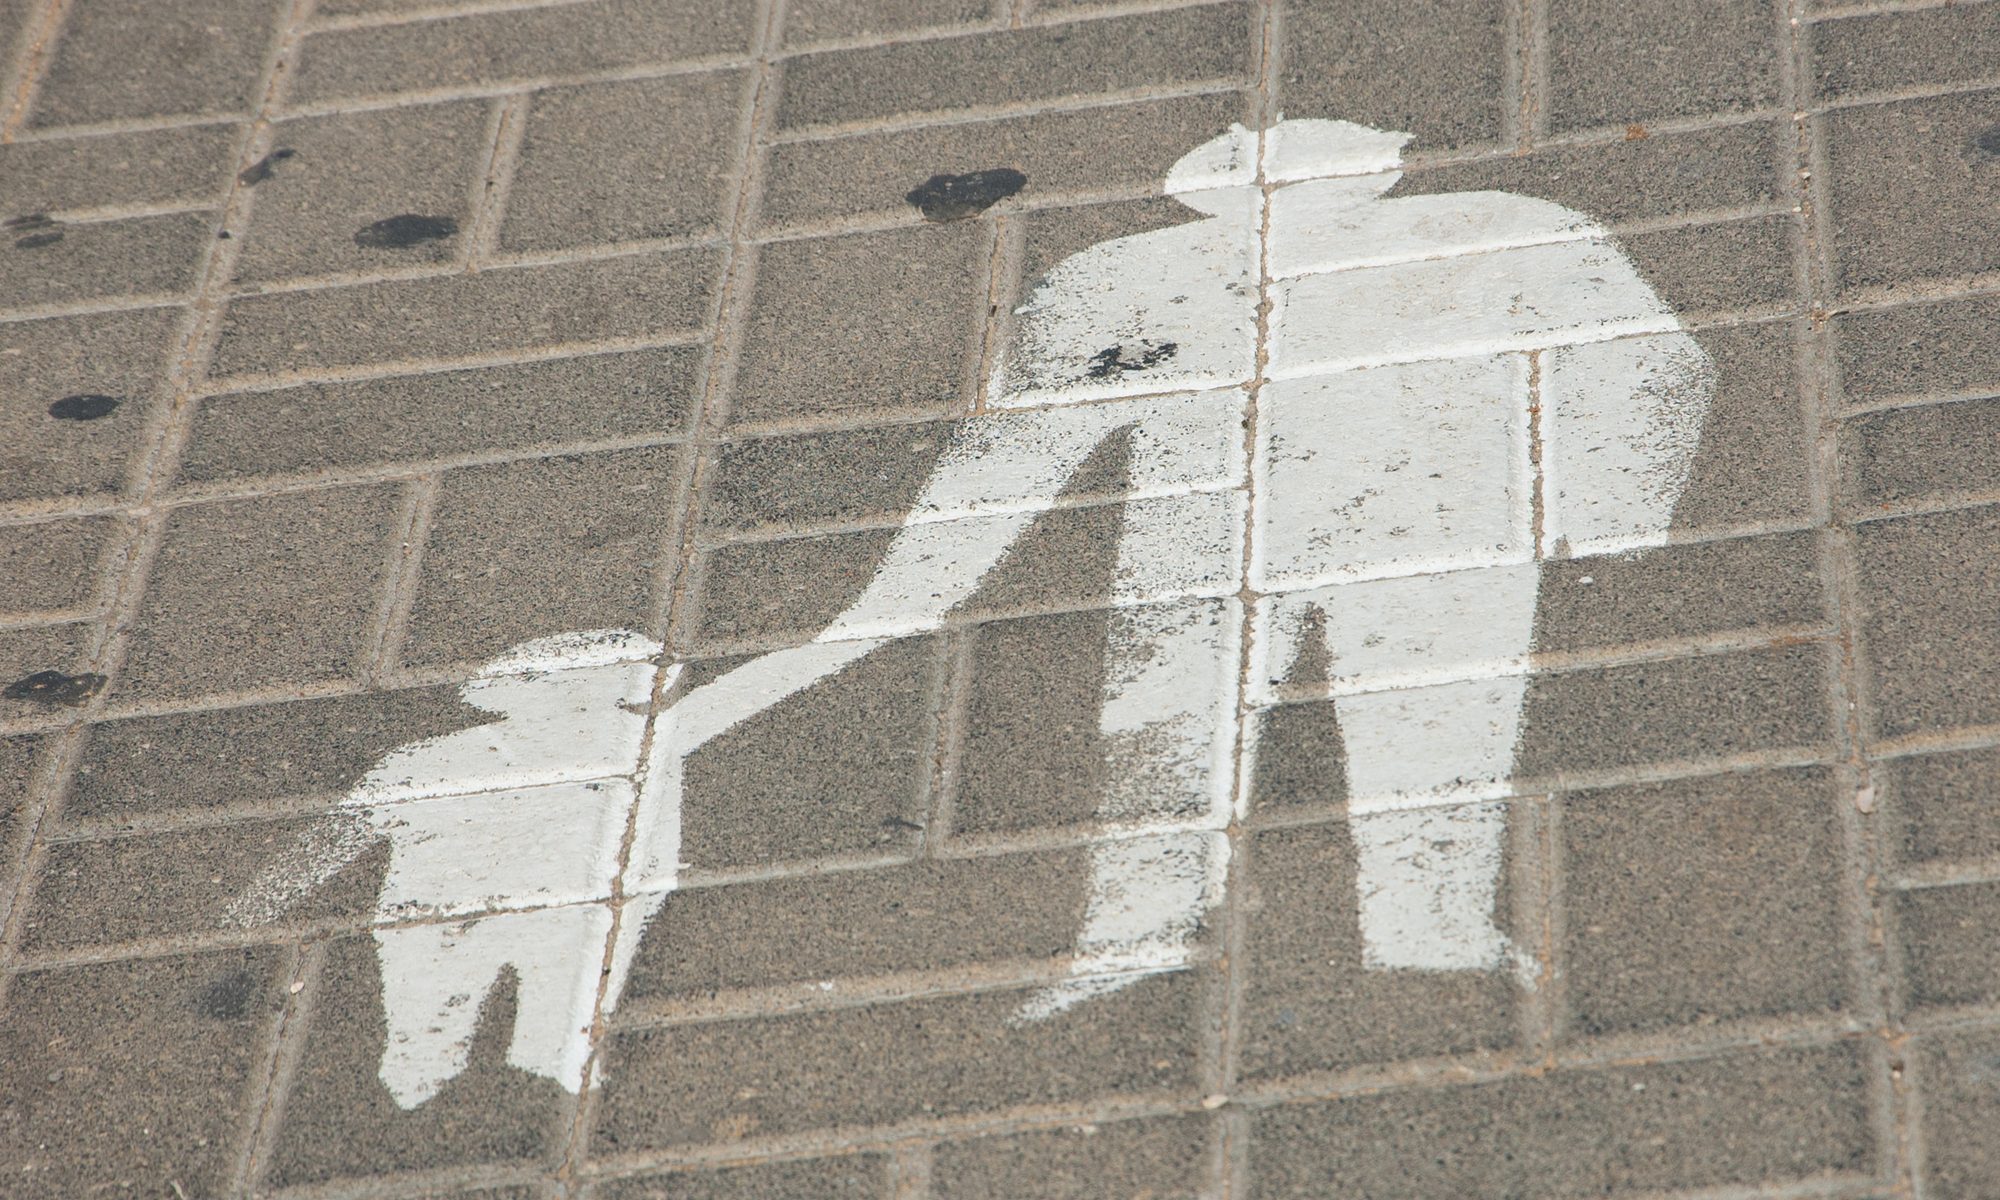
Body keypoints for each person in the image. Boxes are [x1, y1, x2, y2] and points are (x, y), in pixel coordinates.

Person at [230, 119, 1712, 1106]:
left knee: (1441, 713)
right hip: (1195, 534)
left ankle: (1436, 926)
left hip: (1448, 524)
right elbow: (1013, 451)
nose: (1285, 202)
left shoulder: (1518, 229)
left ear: (1379, 177)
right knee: (1163, 730)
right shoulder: (1118, 277)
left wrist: (1611, 513)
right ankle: (1140, 933)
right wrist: (908, 593)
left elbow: (1650, 362)